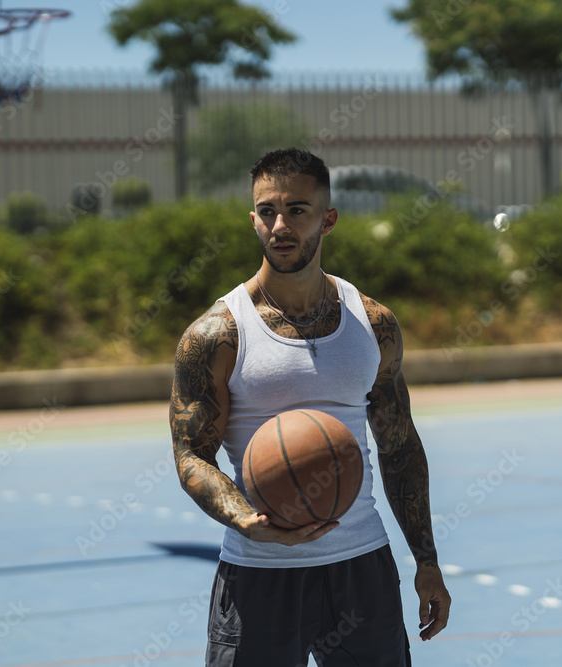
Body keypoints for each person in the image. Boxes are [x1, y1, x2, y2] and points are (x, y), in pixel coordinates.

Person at [169, 147, 451, 666]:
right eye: (267, 211)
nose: (280, 225)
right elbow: (191, 455)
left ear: (328, 219)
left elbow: (399, 445)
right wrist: (245, 518)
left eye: (297, 210)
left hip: (361, 567)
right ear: (253, 219)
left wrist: (426, 561)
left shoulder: (374, 325)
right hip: (260, 574)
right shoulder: (216, 334)